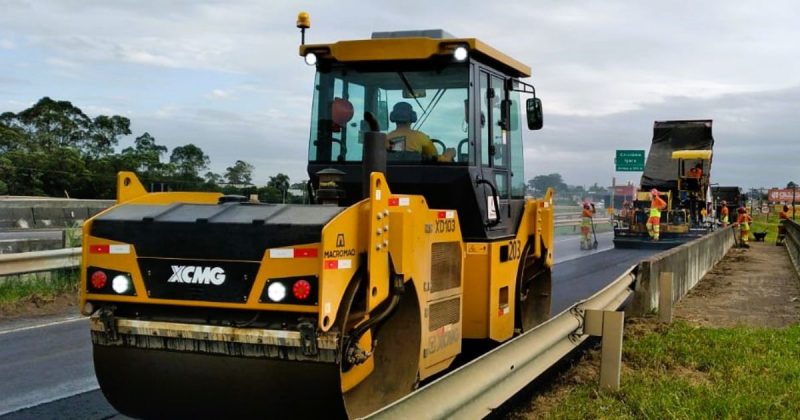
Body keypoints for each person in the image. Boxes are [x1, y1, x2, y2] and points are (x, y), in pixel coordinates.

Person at [385, 102, 454, 162]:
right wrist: (449, 154)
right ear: (413, 116)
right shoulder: (421, 137)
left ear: (392, 116)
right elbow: (434, 157)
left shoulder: (385, 139)